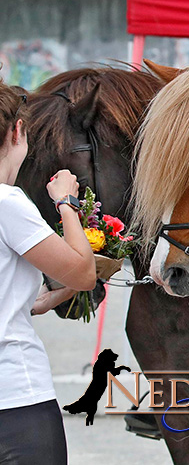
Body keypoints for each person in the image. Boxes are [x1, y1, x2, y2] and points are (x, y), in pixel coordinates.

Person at [0, 80, 96, 464]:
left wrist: (53, 296)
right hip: (14, 398)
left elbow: (15, 300)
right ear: (18, 131)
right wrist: (67, 204)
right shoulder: (8, 204)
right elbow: (83, 273)